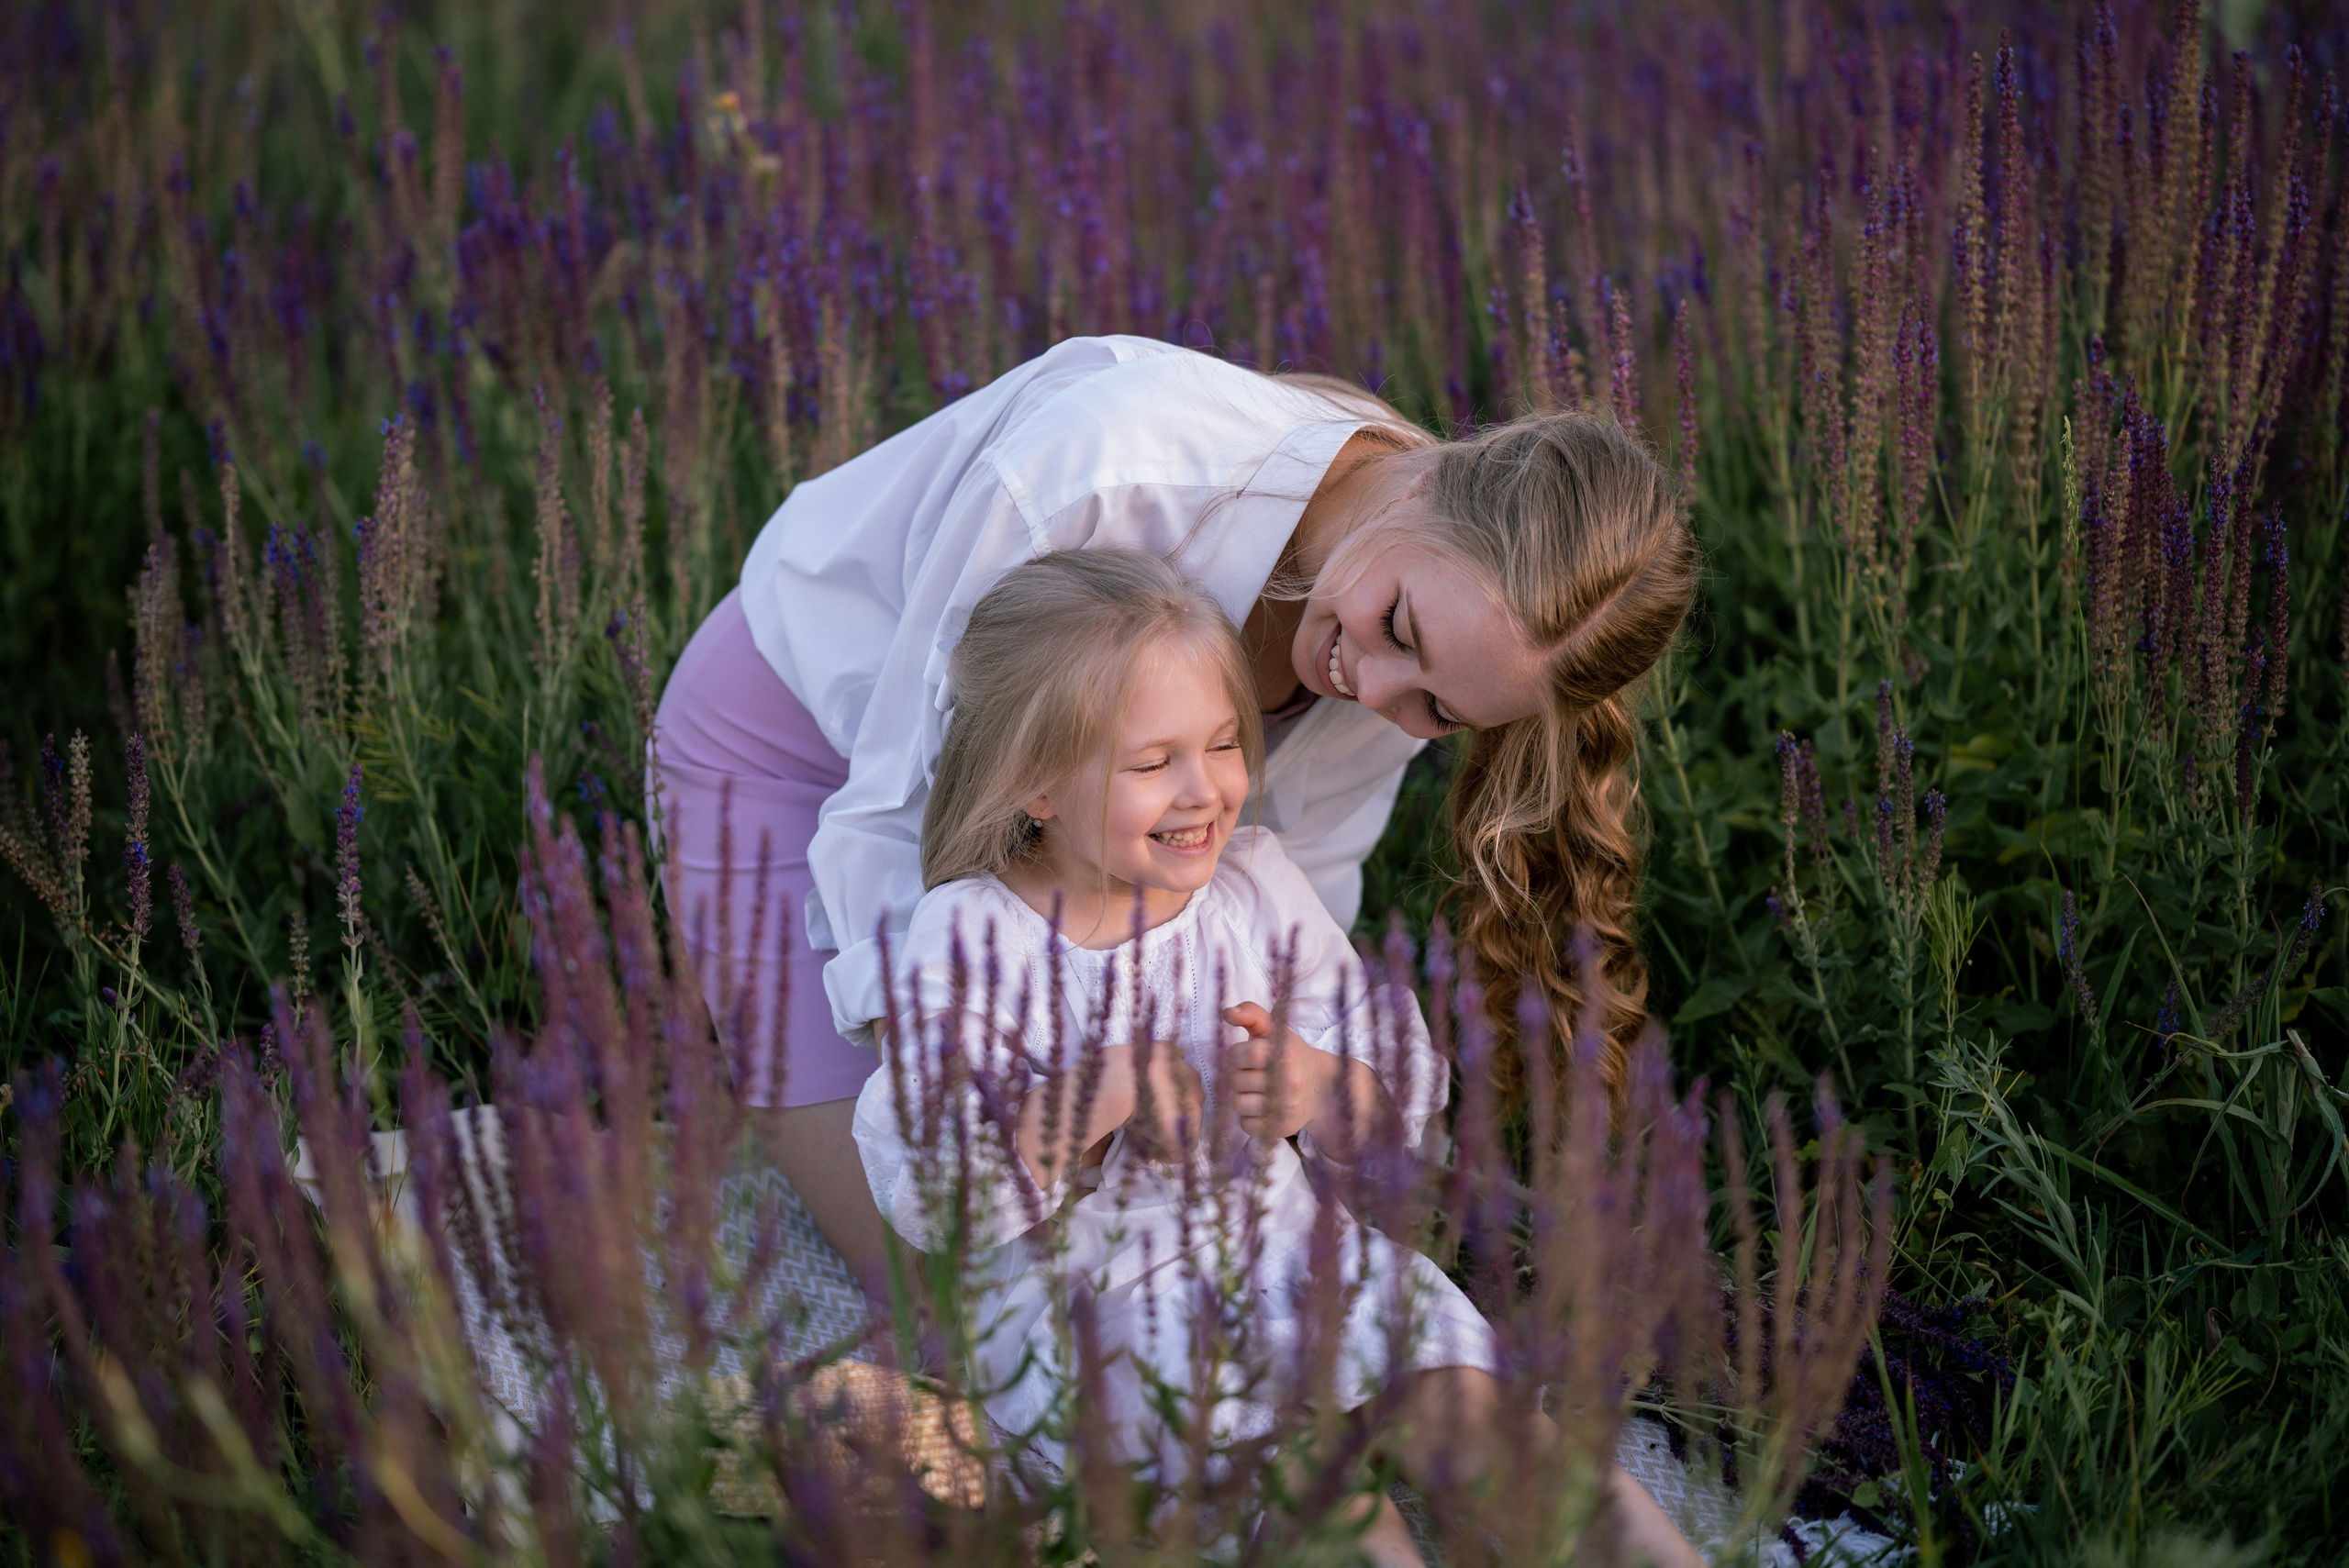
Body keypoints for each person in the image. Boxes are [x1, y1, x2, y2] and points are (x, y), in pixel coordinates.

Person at [652, 333, 1696, 1314]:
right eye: (1394, 628)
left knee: (1234, 1297)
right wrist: (1003, 1117)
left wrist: (1290, 1130)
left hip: (1057, 859)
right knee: (972, 1304)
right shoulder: (1107, 468)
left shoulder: (1420, 654)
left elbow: (1293, 888)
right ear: (1423, 482)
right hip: (798, 754)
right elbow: (888, 814)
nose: (1371, 686)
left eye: (1438, 708)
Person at [848, 550, 1696, 1568]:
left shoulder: (1250, 886)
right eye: (1152, 760)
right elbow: (933, 1181)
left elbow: (1394, 1094)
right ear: (1033, 779)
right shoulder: (973, 935)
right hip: (1109, 1307)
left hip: (1286, 1247)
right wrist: (1092, 1094)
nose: (1203, 787)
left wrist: (1320, 1085)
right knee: (1299, 1483)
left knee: (1469, 1407)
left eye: (1219, 743)